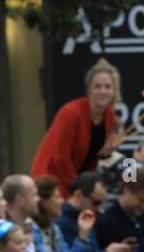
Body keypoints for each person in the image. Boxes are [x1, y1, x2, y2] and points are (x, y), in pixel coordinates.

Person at [31, 58, 121, 197]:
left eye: (107, 86)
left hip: (78, 183)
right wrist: (80, 188)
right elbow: (61, 158)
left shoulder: (109, 115)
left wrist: (105, 153)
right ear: (89, 89)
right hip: (51, 181)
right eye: (97, 86)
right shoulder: (71, 113)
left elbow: (93, 156)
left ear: (115, 90)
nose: (102, 91)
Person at [31, 175, 107, 252]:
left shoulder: (53, 228)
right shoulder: (34, 229)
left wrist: (83, 235)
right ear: (44, 203)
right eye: (57, 197)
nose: (62, 201)